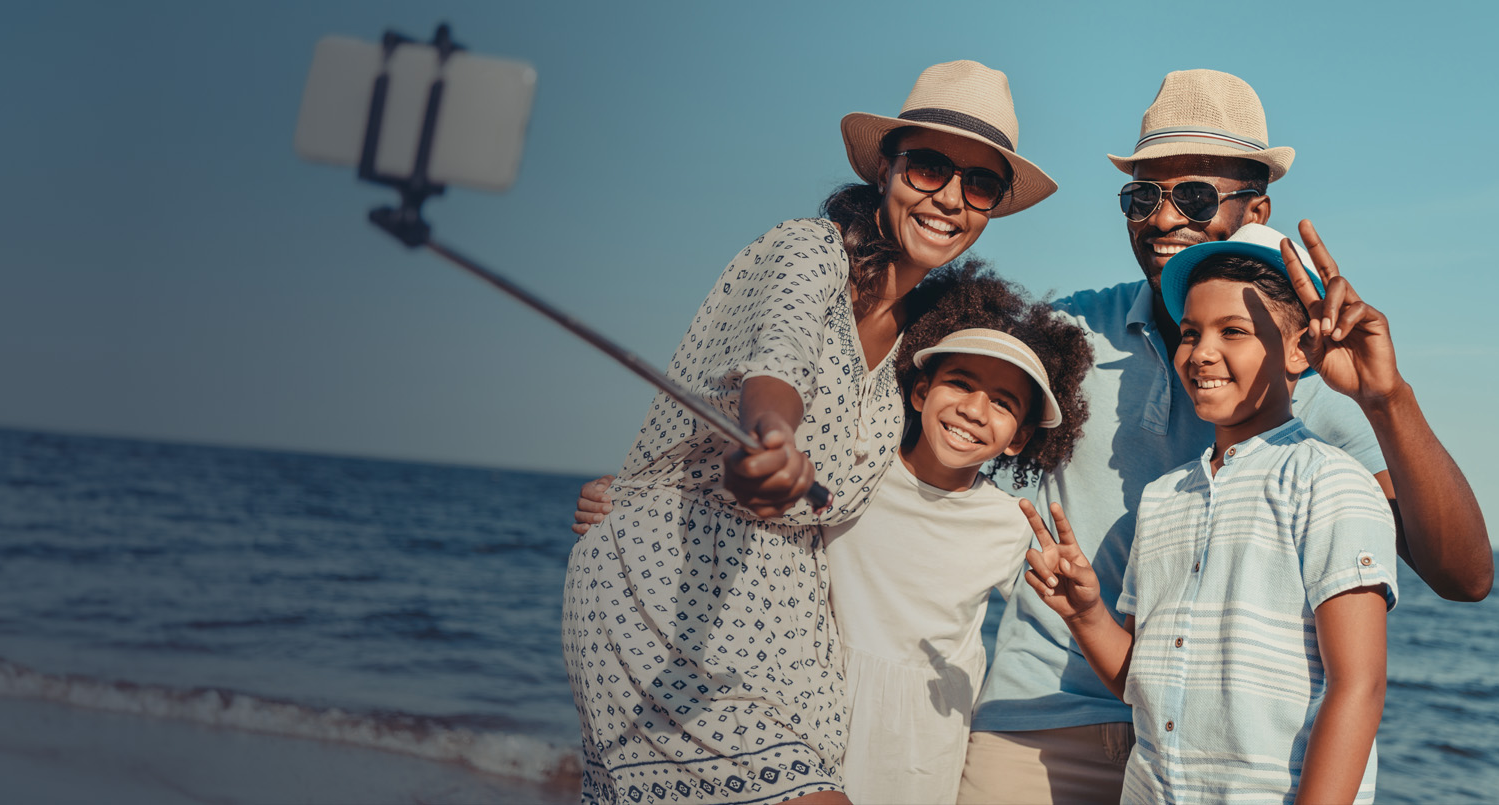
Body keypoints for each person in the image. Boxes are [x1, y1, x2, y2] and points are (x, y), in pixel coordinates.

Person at [958, 69, 1492, 804]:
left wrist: (1386, 400)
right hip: (1043, 720)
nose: (1162, 216)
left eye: (1196, 195)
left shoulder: (1315, 381)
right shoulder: (1070, 331)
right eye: (1142, 195)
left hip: (1232, 754)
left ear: (1257, 208)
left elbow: (1464, 577)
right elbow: (942, 410)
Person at [562, 61, 1057, 805]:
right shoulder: (808, 252)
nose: (950, 197)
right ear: (885, 167)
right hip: (677, 588)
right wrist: (770, 439)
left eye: (979, 183)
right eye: (928, 166)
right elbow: (775, 369)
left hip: (791, 629)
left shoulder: (916, 343)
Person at [1025, 222, 1397, 803]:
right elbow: (1146, 685)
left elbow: (1359, 686)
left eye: (1234, 331)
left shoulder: (1332, 482)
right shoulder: (1163, 498)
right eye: (1191, 332)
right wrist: (1087, 613)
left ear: (1299, 351)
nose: (1201, 353)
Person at [825, 264, 1091, 805]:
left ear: (1018, 440)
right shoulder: (852, 469)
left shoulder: (1011, 523)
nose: (974, 409)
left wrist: (1077, 599)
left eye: (1003, 402)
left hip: (926, 733)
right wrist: (628, 496)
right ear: (920, 390)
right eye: (961, 383)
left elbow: (1053, 617)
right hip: (820, 698)